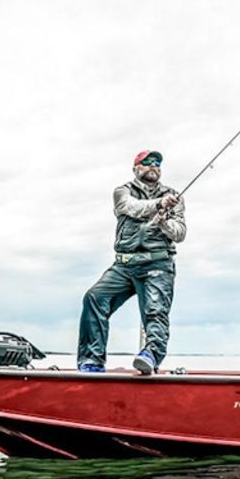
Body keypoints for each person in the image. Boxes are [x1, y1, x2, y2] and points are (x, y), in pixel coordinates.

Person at [77, 150, 186, 374]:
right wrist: (158, 205)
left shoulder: (174, 196)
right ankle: (92, 361)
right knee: (94, 298)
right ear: (136, 168)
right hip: (124, 265)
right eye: (147, 162)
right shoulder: (122, 192)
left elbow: (180, 233)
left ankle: (150, 356)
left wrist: (163, 222)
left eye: (157, 163)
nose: (153, 166)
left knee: (155, 311)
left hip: (158, 264)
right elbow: (131, 208)